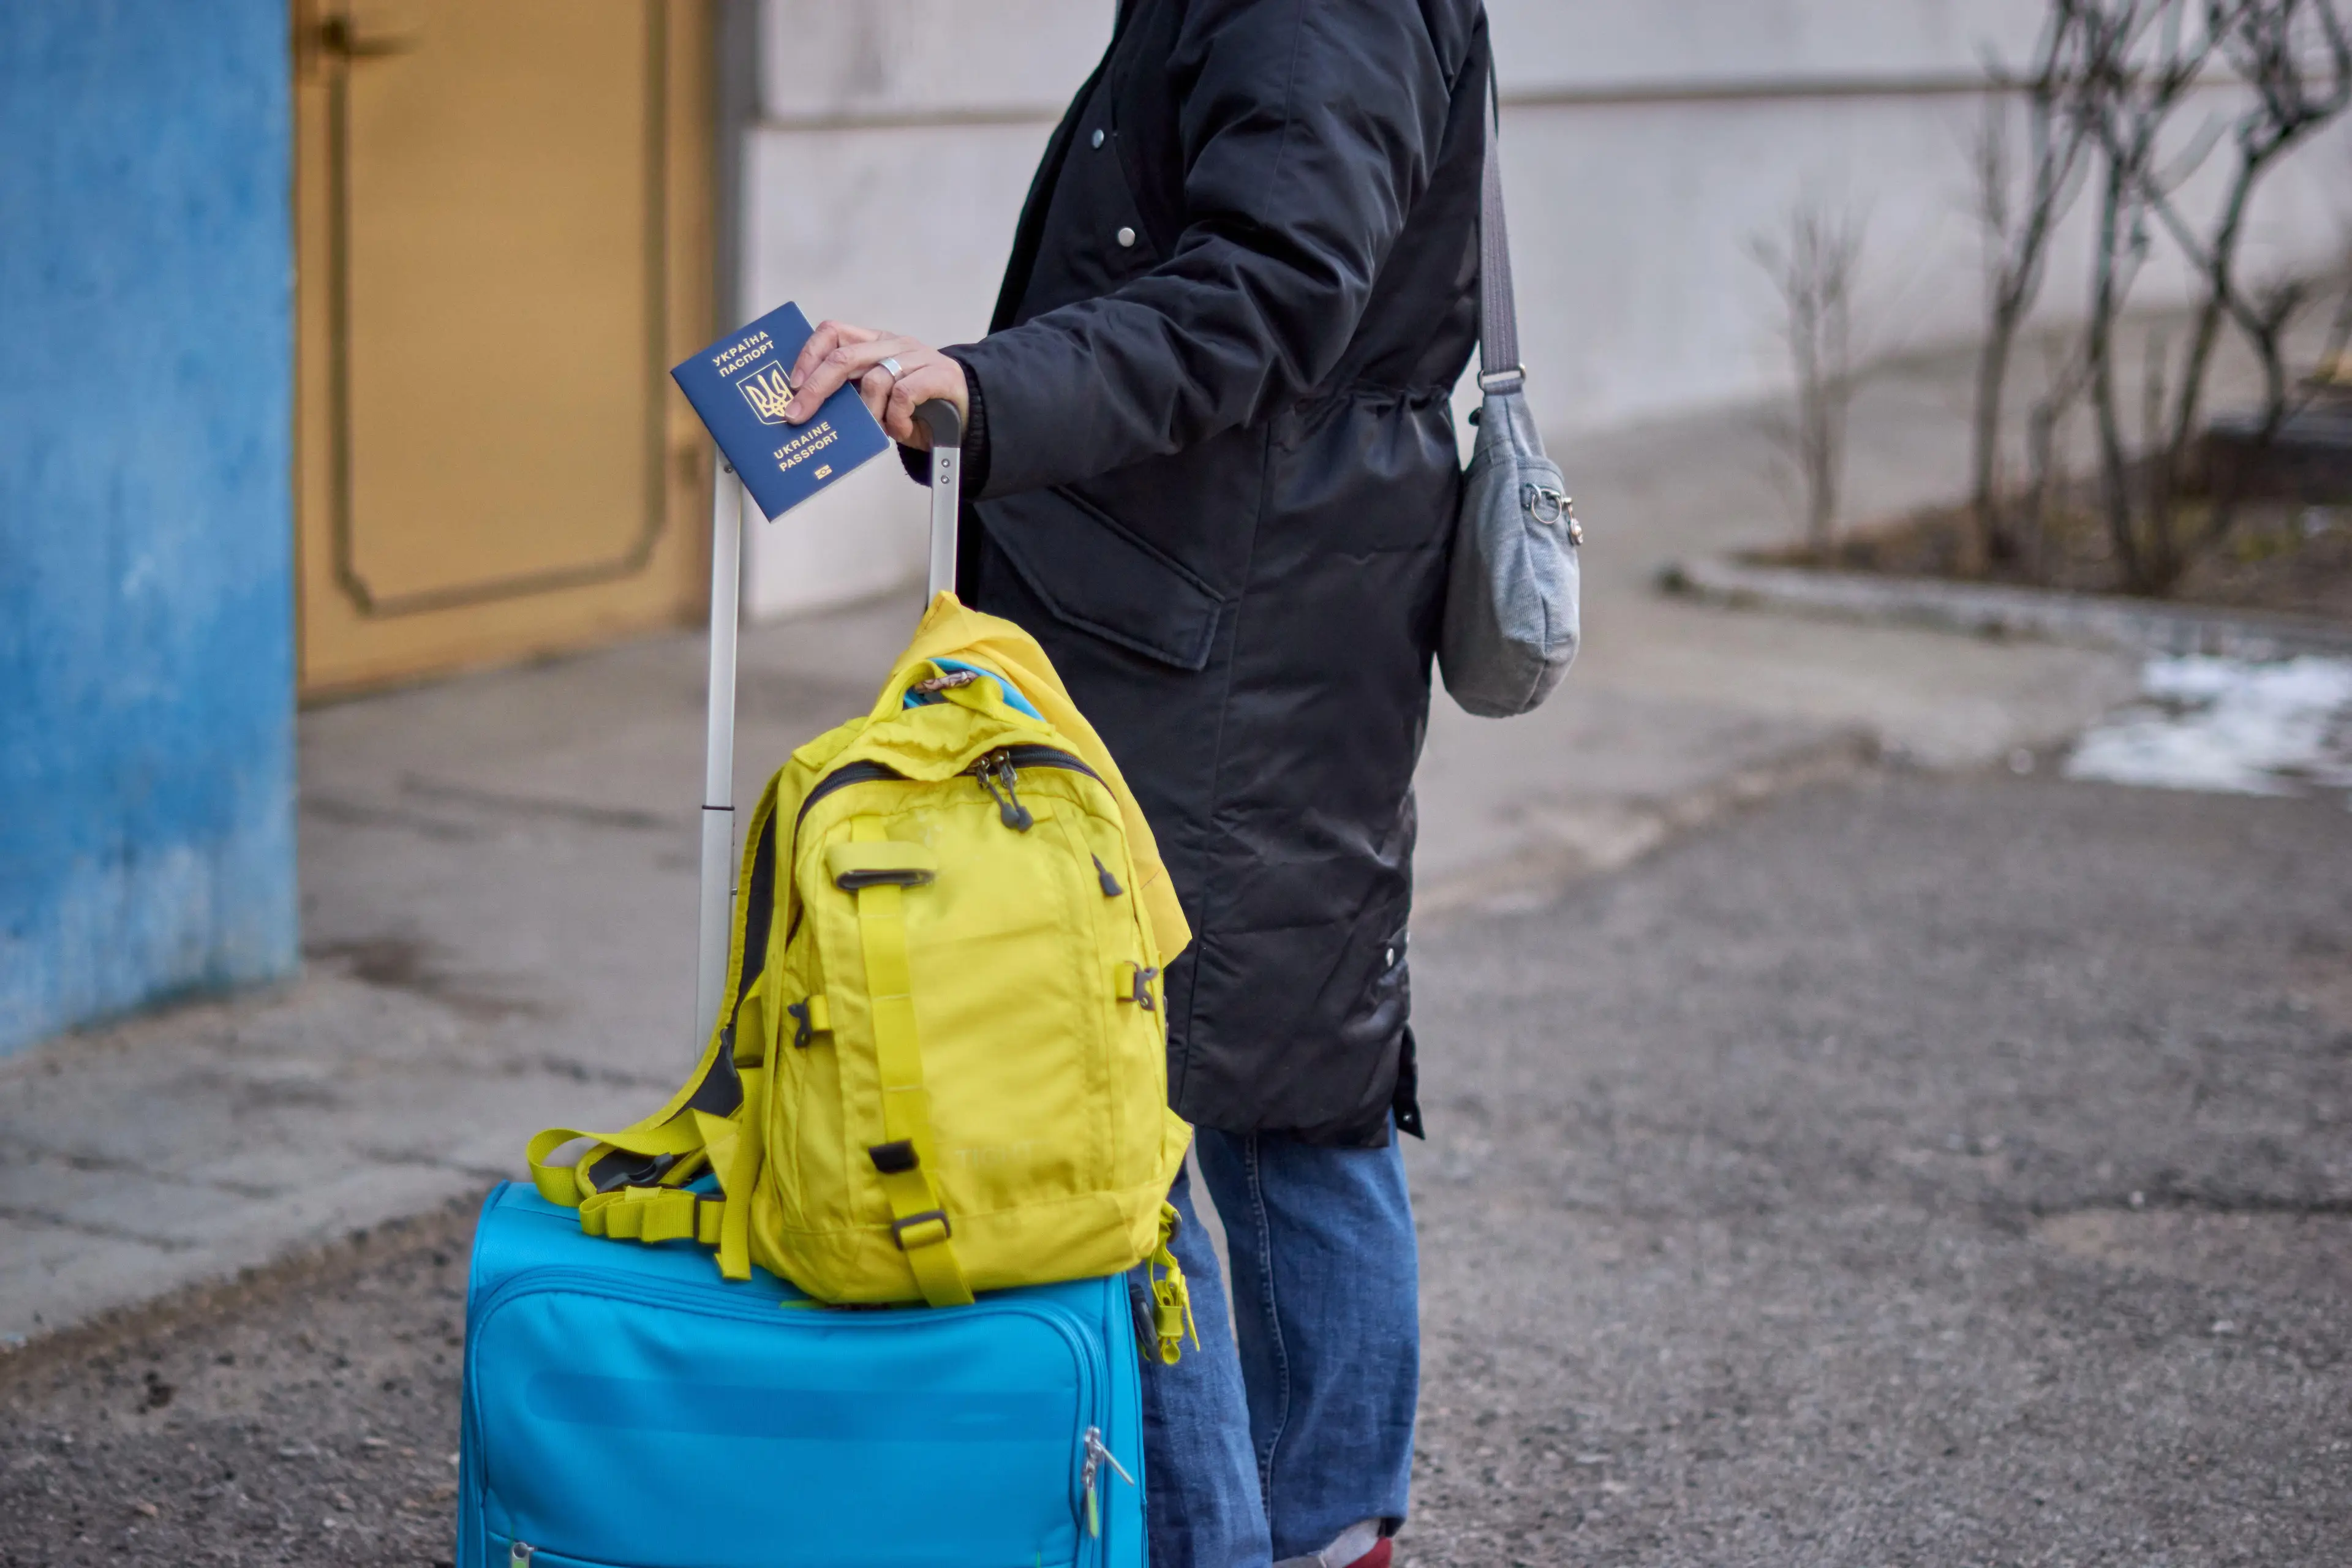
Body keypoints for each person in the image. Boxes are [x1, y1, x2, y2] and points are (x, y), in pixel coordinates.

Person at [784, 4, 1491, 1563]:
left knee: (1132, 1101)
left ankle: (1245, 1536)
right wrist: (973, 385)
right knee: (1277, 1077)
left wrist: (987, 390)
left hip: (1232, 628)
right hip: (1250, 599)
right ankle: (1316, 1530)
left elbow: (1268, 290)